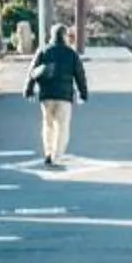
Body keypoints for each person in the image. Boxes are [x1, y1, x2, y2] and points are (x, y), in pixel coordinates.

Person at [24, 26, 90, 167]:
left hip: (46, 95)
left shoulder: (43, 51)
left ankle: (48, 152)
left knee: (48, 125)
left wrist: (28, 90)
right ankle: (56, 154)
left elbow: (32, 72)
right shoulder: (71, 54)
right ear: (64, 36)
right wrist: (83, 93)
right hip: (64, 97)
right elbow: (80, 75)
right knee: (62, 126)